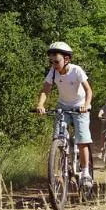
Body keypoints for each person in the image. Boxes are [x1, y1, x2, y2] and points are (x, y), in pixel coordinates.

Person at [35, 41, 94, 189]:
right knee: (59, 138)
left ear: (66, 59)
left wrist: (86, 105)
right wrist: (40, 105)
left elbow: (88, 90)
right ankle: (61, 171)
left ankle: (86, 173)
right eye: (51, 61)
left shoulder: (76, 70)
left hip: (80, 106)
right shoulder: (53, 72)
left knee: (82, 139)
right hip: (63, 106)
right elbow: (45, 90)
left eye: (56, 61)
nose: (54, 64)